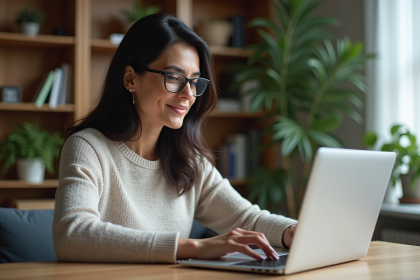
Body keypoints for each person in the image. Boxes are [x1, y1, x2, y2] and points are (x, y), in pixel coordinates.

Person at [53, 14, 297, 263]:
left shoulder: (189, 160)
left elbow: (247, 219)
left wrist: (293, 232)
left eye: (194, 81)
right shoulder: (88, 148)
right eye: (174, 77)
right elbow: (72, 234)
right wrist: (193, 248)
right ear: (130, 79)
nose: (188, 94)